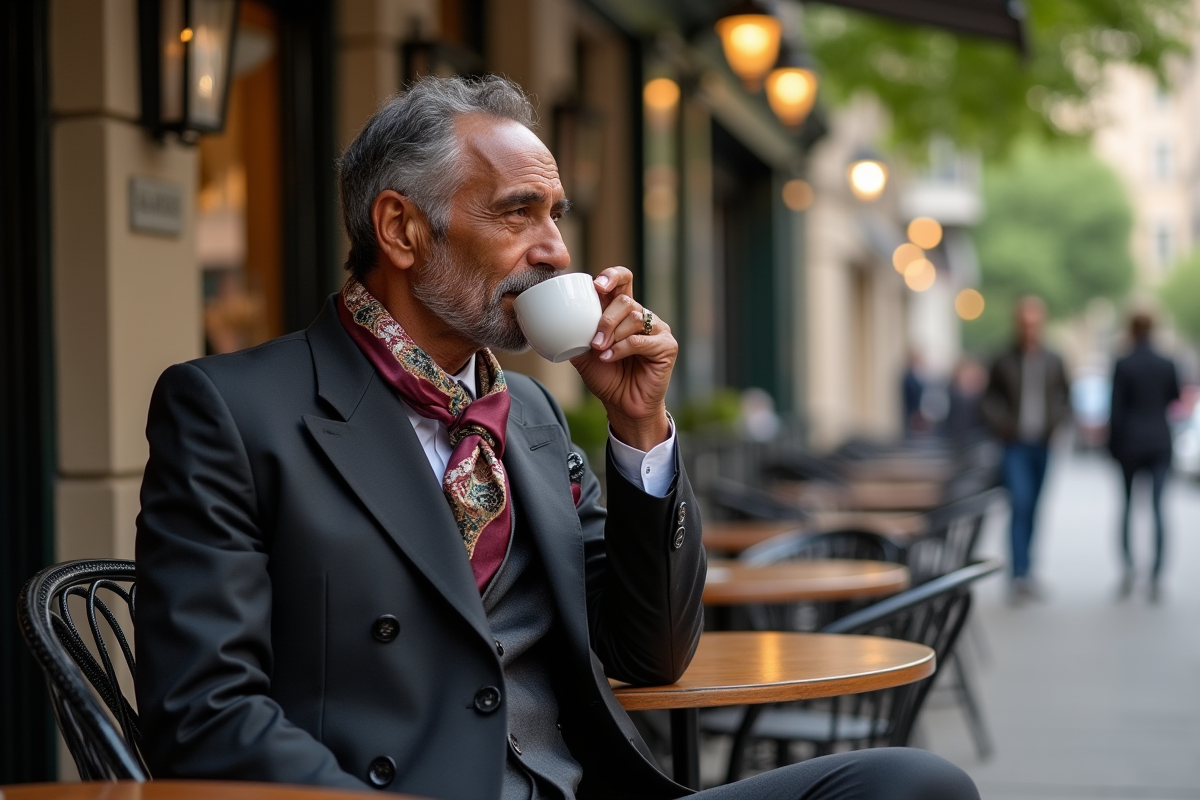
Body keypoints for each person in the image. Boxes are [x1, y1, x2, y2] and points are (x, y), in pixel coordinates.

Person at [135, 75, 976, 800]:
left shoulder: (530, 414)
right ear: (401, 230)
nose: (558, 250)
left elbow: (651, 653)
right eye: (519, 213)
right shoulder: (233, 409)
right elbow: (204, 713)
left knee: (913, 784)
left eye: (557, 215)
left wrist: (640, 427)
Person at [980, 296, 1071, 602]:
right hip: (1014, 444)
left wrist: (1056, 423)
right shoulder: (1002, 358)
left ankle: (1028, 571)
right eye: (1025, 323)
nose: (1030, 328)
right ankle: (1017, 575)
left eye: (1034, 323)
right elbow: (987, 399)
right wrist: (1002, 424)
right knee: (1020, 501)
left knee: (1034, 507)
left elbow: (1065, 396)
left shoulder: (1053, 359)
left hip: (1042, 444)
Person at [1108, 312, 1180, 601]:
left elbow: (1115, 410)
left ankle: (1128, 569)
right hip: (1159, 442)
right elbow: (1174, 397)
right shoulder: (1166, 362)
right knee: (1158, 508)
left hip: (1129, 443)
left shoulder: (1123, 363)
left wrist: (1112, 447)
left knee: (1127, 507)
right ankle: (1156, 575)